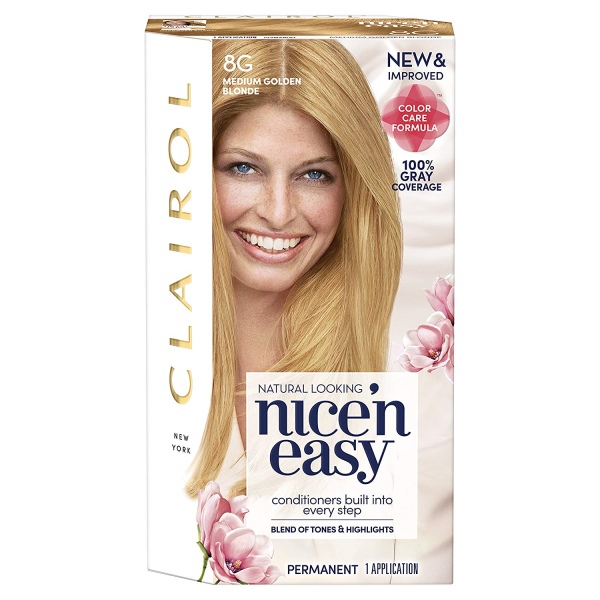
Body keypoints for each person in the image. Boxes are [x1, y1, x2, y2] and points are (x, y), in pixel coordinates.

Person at [186, 38, 402, 501]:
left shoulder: (411, 381)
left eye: (314, 175)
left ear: (352, 192)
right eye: (243, 168)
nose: (279, 213)